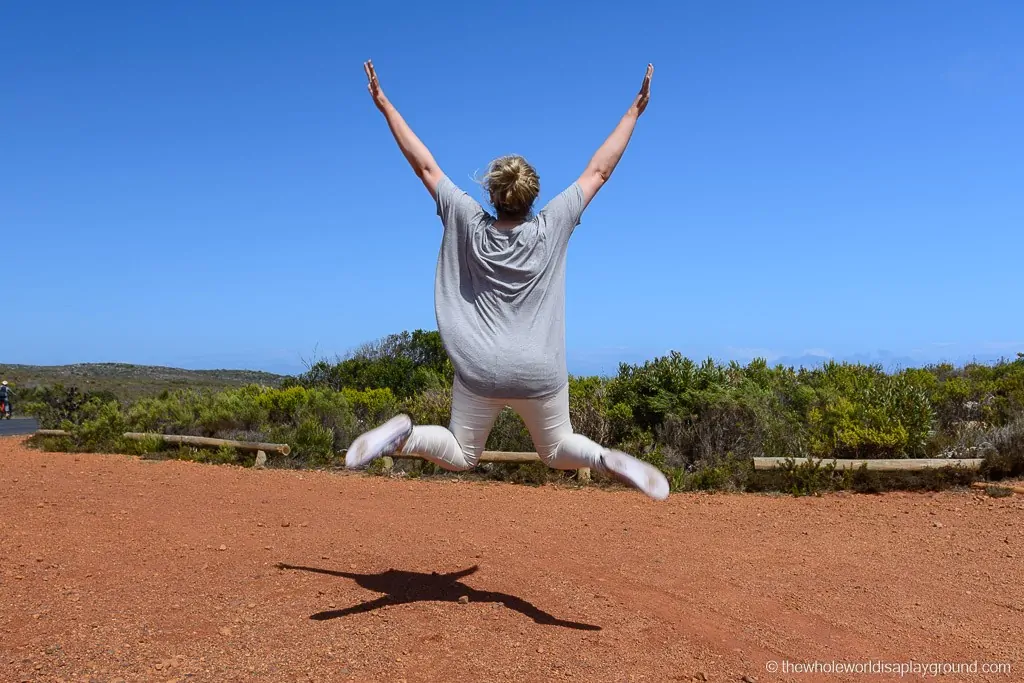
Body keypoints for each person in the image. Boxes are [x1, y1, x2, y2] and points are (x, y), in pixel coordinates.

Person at [345, 60, 668, 501]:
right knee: (556, 450)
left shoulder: (466, 219)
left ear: (492, 195)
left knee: (462, 452)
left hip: (480, 368)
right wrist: (634, 111)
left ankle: (406, 436)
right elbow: (599, 171)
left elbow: (423, 165)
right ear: (532, 195)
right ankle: (601, 459)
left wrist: (385, 105)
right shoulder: (552, 224)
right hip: (539, 370)